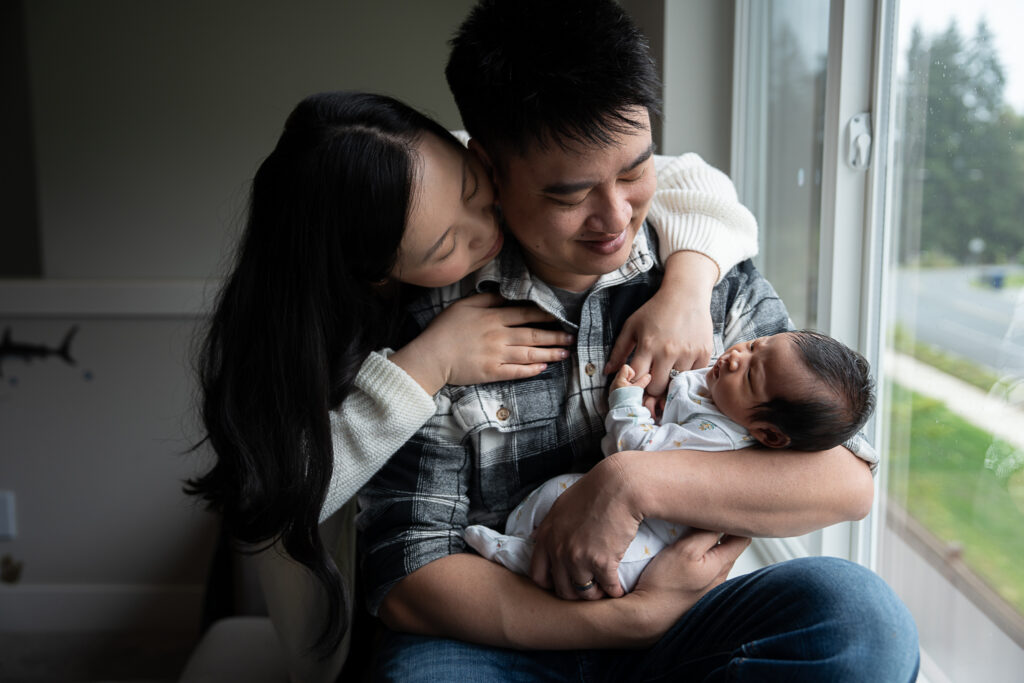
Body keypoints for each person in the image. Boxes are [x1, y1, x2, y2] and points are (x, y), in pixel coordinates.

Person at [357, 0, 919, 680]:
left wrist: (632, 482)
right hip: (499, 630)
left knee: (860, 620)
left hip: (687, 621)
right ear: (490, 168)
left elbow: (845, 482)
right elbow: (407, 574)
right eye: (570, 196)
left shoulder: (702, 270)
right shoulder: (436, 309)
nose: (616, 217)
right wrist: (632, 619)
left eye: (633, 172)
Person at [185, 88, 760, 676]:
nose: (487, 230)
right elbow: (273, 496)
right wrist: (428, 363)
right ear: (381, 276)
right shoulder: (325, 327)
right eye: (447, 246)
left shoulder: (459, 164)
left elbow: (691, 177)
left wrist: (687, 289)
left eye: (472, 190)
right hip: (364, 623)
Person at [464, 330, 876, 592]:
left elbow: (636, 451)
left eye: (751, 375)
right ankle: (522, 544)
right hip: (635, 524)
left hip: (649, 542)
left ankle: (519, 557)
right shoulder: (728, 395)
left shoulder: (718, 435)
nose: (736, 356)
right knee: (559, 495)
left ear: (768, 435)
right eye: (754, 345)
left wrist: (627, 403)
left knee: (570, 505)